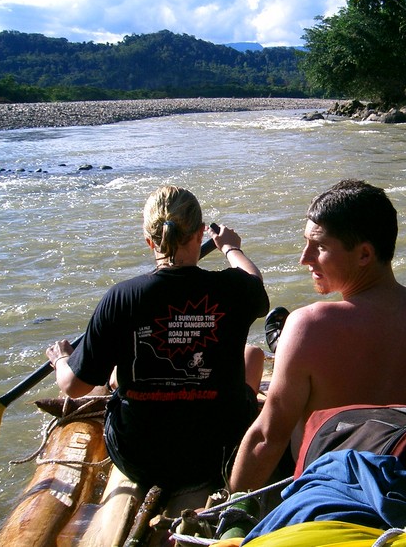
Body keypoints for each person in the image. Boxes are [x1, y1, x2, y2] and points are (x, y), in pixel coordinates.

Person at [228, 179, 406, 492]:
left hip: (328, 487)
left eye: (320, 247)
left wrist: (228, 511)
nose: (305, 257)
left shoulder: (307, 326)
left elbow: (267, 438)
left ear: (365, 255)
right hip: (402, 478)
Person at [46, 185, 269, 490]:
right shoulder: (235, 289)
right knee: (253, 355)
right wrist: (230, 248)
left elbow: (73, 386)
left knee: (110, 375)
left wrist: (61, 360)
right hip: (219, 450)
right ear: (201, 232)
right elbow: (254, 282)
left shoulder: (122, 297)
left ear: (149, 240)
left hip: (140, 457)